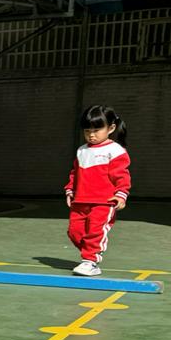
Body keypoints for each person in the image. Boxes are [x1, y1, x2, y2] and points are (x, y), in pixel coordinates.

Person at [65, 105, 130, 276]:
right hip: (80, 201)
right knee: (74, 232)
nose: (91, 135)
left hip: (104, 201)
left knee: (95, 232)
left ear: (111, 128)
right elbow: (75, 173)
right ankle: (90, 254)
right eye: (87, 131)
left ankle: (90, 261)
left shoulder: (115, 150)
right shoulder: (82, 150)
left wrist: (121, 194)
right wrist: (70, 190)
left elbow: (122, 176)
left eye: (96, 130)